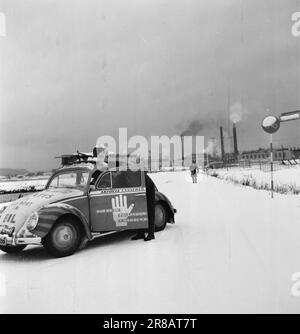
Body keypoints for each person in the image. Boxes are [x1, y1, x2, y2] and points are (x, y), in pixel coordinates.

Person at [132, 172, 156, 241]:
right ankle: (141, 233)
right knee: (140, 211)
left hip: (149, 189)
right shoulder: (130, 172)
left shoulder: (136, 172)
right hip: (142, 189)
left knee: (150, 211)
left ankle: (151, 234)